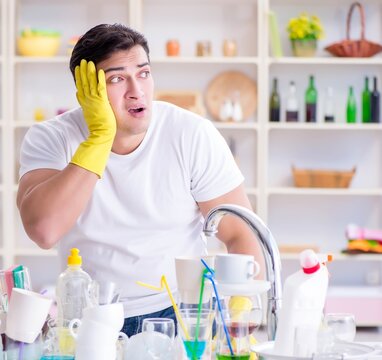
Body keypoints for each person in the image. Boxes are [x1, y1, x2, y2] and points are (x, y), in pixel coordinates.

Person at [17, 23, 263, 337]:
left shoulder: (190, 133)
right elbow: (44, 230)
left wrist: (242, 306)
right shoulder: (51, 138)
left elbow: (242, 233)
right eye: (117, 78)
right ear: (86, 91)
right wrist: (98, 139)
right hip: (90, 318)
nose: (137, 90)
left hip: (182, 311)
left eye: (144, 73)